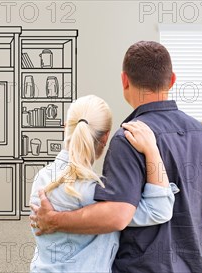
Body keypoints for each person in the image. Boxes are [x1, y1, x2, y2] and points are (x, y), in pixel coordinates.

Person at [30, 41, 202, 273]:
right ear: (172, 80)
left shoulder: (128, 138)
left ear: (124, 80)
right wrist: (201, 257)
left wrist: (54, 220)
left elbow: (117, 214)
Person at [29, 95, 179, 272]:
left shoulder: (41, 177)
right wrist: (152, 150)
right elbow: (159, 209)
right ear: (106, 137)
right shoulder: (95, 192)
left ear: (65, 128)